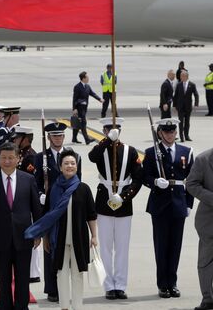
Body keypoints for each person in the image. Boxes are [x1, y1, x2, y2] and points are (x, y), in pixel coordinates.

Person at [25, 149, 98, 310]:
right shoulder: (54, 188)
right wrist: (44, 238)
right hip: (58, 238)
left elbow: (91, 215)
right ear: (60, 166)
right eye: (66, 163)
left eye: (73, 163)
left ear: (77, 166)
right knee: (61, 273)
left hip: (79, 238)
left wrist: (94, 236)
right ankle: (64, 306)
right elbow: (47, 216)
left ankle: (77, 306)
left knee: (77, 274)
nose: (69, 166)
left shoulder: (83, 189)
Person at [0, 142, 42, 310]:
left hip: (24, 238)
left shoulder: (28, 179)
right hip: (0, 239)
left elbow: (36, 208)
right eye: (3, 158)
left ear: (18, 158)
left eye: (10, 158)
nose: (7, 161)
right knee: (3, 280)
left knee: (23, 279)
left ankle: (22, 307)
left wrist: (38, 233)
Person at [88, 118, 142, 300]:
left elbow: (137, 179)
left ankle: (120, 284)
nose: (113, 132)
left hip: (123, 202)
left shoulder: (130, 150)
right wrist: (106, 140)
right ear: (104, 131)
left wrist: (124, 196)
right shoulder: (100, 149)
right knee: (105, 247)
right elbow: (92, 157)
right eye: (109, 130)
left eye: (116, 129)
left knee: (122, 247)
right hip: (104, 201)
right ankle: (108, 286)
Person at [143, 118, 194, 299]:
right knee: (161, 245)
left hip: (179, 204)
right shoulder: (151, 152)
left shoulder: (186, 152)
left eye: (172, 131)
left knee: (175, 246)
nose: (170, 134)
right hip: (160, 205)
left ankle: (172, 283)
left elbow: (191, 181)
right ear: (160, 133)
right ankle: (162, 284)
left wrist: (189, 203)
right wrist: (155, 182)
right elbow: (145, 176)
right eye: (166, 132)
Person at [33, 122, 82, 302]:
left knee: (66, 246)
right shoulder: (41, 158)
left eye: (60, 136)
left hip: (67, 206)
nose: (57, 139)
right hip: (48, 206)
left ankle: (65, 287)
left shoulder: (73, 156)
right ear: (49, 138)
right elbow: (36, 181)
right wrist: (40, 194)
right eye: (54, 136)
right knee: (49, 247)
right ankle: (52, 288)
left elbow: (78, 180)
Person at [12, 126, 42, 284]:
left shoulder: (31, 157)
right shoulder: (22, 155)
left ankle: (33, 272)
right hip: (19, 200)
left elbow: (31, 183)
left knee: (32, 235)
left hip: (29, 201)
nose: (15, 140)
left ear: (26, 139)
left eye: (18, 138)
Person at [187, 147, 213, 310]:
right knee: (206, 261)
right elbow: (191, 184)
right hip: (208, 221)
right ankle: (207, 298)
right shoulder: (203, 159)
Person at [72, 71, 103, 144]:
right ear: (83, 78)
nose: (88, 78)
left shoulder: (87, 86)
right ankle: (87, 139)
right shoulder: (77, 87)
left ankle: (74, 138)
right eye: (87, 77)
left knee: (78, 122)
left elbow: (92, 93)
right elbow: (74, 98)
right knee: (83, 123)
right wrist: (74, 108)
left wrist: (99, 99)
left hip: (84, 108)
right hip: (79, 107)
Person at [173, 70, 199, 142]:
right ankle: (182, 137)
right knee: (180, 122)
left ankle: (186, 136)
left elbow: (196, 94)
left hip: (188, 107)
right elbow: (175, 96)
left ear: (187, 76)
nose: (181, 77)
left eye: (183, 76)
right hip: (180, 107)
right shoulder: (179, 85)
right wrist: (174, 106)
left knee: (187, 122)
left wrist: (196, 104)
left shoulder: (192, 85)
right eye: (181, 76)